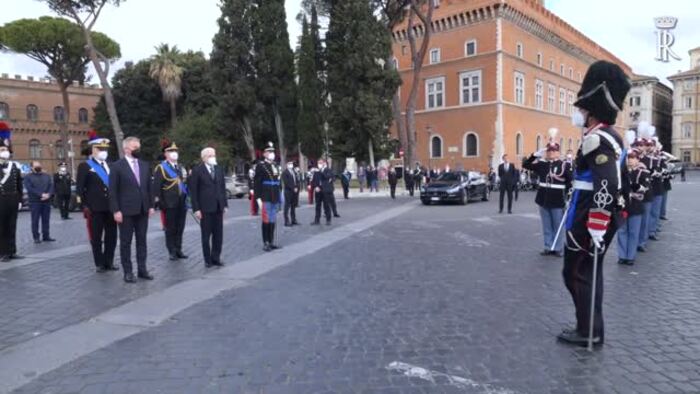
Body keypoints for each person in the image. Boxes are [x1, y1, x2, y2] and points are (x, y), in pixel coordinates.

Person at [559, 60, 630, 347]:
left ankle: (589, 330)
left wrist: (598, 221)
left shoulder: (597, 139)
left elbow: (608, 183)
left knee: (576, 272)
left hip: (591, 215)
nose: (579, 113)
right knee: (588, 272)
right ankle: (590, 326)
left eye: (582, 108)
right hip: (594, 211)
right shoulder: (608, 135)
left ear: (592, 108)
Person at [109, 136, 155, 283]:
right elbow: (113, 191)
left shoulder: (144, 165)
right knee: (126, 242)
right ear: (126, 149)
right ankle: (128, 272)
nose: (138, 150)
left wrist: (152, 205)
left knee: (142, 241)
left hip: (142, 210)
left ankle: (142, 269)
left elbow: (149, 187)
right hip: (125, 211)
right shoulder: (117, 166)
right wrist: (116, 210)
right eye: (135, 148)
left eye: (138, 147)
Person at [522, 129, 572, 257]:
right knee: (546, 225)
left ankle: (557, 247)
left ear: (558, 152)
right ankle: (548, 246)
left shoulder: (564, 165)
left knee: (557, 225)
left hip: (557, 199)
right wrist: (534, 155)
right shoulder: (542, 164)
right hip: (543, 198)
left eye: (554, 151)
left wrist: (568, 196)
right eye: (549, 151)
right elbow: (525, 165)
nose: (551, 153)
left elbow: (570, 181)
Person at [77, 131, 118, 272]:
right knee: (96, 237)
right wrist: (84, 205)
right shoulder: (85, 166)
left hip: (111, 207)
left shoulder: (111, 165)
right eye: (100, 149)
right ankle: (99, 263)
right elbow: (80, 188)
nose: (103, 152)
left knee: (112, 236)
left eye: (105, 149)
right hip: (95, 207)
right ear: (93, 150)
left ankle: (109, 261)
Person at [190, 147, 227, 267]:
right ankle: (207, 259)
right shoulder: (197, 170)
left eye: (214, 155)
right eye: (210, 155)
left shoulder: (219, 169)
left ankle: (216, 257)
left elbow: (222, 188)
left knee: (218, 235)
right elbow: (193, 191)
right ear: (204, 157)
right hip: (205, 208)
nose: (213, 157)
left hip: (218, 207)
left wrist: (224, 204)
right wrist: (196, 209)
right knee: (206, 235)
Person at [152, 140, 188, 261]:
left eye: (175, 151)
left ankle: (178, 249)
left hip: (181, 202)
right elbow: (156, 187)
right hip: (169, 203)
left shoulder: (180, 167)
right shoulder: (161, 168)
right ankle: (171, 251)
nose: (174, 153)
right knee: (170, 228)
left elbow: (183, 183)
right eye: (171, 151)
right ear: (165, 153)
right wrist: (160, 203)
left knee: (180, 227)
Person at [617, 149, 649, 266]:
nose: (630, 160)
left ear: (638, 160)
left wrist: (636, 187)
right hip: (623, 205)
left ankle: (630, 256)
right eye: (628, 158)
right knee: (622, 231)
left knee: (633, 232)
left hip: (635, 205)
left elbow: (645, 188)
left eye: (633, 158)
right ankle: (622, 255)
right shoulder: (621, 173)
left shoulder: (643, 172)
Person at [0, 122, 23, 263]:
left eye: (6, 149)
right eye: (2, 149)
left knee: (12, 226)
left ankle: (12, 251)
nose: (5, 151)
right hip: (0, 200)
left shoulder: (15, 166)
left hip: (13, 199)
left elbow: (19, 184)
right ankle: (3, 252)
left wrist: (20, 200)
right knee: (1, 227)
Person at [254, 143, 282, 251]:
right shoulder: (261, 166)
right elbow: (257, 183)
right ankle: (265, 242)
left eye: (273, 152)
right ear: (265, 154)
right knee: (266, 219)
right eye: (269, 152)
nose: (272, 154)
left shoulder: (275, 165)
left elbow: (278, 182)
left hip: (274, 195)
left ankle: (271, 241)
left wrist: (280, 196)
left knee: (272, 219)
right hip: (265, 196)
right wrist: (258, 198)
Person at [24, 161, 55, 243]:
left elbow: (51, 186)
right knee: (35, 220)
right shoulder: (28, 177)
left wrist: (48, 194)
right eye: (36, 165)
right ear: (31, 167)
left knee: (46, 219)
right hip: (35, 202)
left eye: (39, 165)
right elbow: (30, 188)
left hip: (46, 201)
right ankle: (36, 237)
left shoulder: (47, 176)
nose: (38, 166)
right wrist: (41, 194)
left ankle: (46, 236)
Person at [311, 159, 332, 225]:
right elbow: (313, 181)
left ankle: (328, 220)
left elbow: (327, 177)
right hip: (318, 191)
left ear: (323, 163)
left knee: (326, 206)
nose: (319, 164)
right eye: (318, 163)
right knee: (317, 206)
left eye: (320, 163)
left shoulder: (327, 170)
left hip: (325, 190)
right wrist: (316, 187)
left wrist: (321, 171)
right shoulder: (316, 172)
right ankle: (317, 220)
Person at [282, 160, 300, 227]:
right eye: (289, 163)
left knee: (293, 206)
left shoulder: (294, 172)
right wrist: (293, 188)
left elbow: (297, 180)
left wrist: (297, 187)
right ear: (287, 165)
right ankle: (286, 221)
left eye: (291, 163)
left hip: (294, 191)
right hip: (288, 191)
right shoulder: (285, 173)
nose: (291, 165)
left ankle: (293, 220)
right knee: (287, 206)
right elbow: (287, 183)